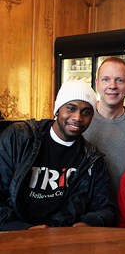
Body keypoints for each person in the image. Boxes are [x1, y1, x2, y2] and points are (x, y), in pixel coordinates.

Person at [0, 80, 117, 231]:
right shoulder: (19, 138)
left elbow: (106, 209)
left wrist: (85, 224)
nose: (78, 117)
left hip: (63, 238)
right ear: (57, 109)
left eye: (86, 112)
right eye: (71, 108)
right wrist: (22, 229)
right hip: (15, 235)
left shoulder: (92, 159)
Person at [83, 56, 125, 204]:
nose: (112, 85)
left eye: (119, 80)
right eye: (106, 79)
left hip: (118, 216)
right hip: (74, 214)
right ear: (96, 84)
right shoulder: (78, 120)